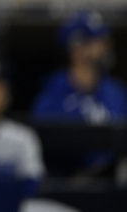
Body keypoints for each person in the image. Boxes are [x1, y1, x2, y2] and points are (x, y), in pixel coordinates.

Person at [31, 10, 127, 176]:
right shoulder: (54, 90)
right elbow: (45, 141)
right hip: (66, 185)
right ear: (77, 48)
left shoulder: (116, 91)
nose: (106, 47)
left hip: (111, 184)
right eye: (99, 42)